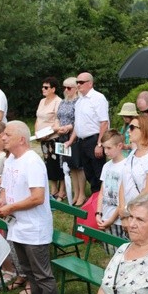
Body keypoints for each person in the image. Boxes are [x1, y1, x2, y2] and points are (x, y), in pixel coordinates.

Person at [0, 121, 60, 294]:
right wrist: (2, 202)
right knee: (28, 271)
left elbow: (37, 197)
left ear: (21, 139)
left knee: (41, 273)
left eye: (7, 134)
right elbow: (6, 188)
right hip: (17, 226)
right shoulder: (11, 160)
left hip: (34, 227)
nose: (2, 137)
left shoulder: (32, 162)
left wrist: (10, 208)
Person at [69, 72, 109, 193]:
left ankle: (101, 200)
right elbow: (78, 124)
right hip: (82, 141)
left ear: (90, 83)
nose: (78, 85)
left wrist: (99, 144)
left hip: (94, 139)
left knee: (99, 173)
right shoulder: (79, 101)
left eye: (81, 82)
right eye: (77, 82)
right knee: (88, 173)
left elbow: (104, 122)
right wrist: (70, 140)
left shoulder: (98, 98)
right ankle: (94, 198)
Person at [54, 77, 87, 206]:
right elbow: (57, 117)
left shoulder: (79, 102)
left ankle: (82, 194)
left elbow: (79, 121)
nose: (66, 90)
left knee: (78, 166)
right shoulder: (63, 102)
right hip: (62, 136)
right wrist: (57, 127)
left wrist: (69, 127)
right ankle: (75, 192)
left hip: (75, 136)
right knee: (69, 166)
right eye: (64, 87)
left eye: (69, 88)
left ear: (75, 89)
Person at [35, 76, 65, 200]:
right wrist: (37, 132)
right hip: (43, 138)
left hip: (54, 137)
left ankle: (62, 191)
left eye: (46, 87)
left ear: (53, 89)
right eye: (42, 87)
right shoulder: (42, 101)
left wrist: (49, 133)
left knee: (58, 163)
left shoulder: (58, 101)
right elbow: (38, 118)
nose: (43, 89)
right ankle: (53, 188)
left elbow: (58, 120)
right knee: (48, 163)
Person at [96, 130, 126, 245]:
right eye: (104, 148)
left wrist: (112, 219)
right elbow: (102, 192)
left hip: (118, 219)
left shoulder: (126, 166)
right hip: (105, 215)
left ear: (119, 146)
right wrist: (98, 213)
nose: (105, 151)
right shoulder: (106, 166)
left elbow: (124, 197)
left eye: (109, 148)